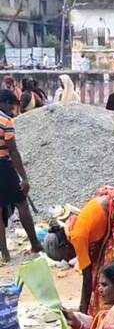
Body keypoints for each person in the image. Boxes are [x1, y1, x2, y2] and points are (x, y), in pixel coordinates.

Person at [43, 188, 114, 316]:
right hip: (110, 210)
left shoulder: (77, 237)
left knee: (113, 269)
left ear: (64, 246)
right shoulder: (70, 231)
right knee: (98, 270)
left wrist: (82, 312)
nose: (67, 260)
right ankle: (98, 313)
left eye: (63, 257)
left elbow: (87, 279)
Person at [0, 90, 42, 262]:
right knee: (22, 204)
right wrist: (24, 178)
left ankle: (4, 253)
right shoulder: (5, 121)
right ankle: (35, 244)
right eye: (10, 104)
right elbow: (13, 151)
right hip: (3, 166)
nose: (12, 108)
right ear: (3, 102)